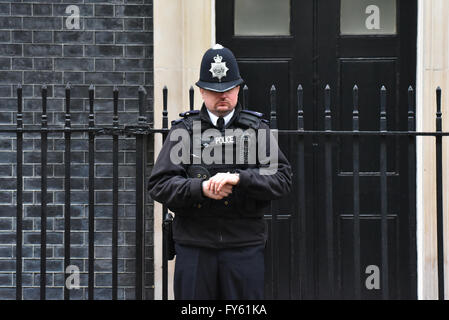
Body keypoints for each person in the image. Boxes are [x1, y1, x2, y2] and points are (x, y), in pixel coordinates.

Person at [148, 44, 292, 300]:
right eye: (214, 90)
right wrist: (200, 189)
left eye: (228, 89)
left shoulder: (257, 130)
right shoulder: (184, 131)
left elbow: (281, 180)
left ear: (238, 89)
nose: (222, 95)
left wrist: (240, 179)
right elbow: (159, 184)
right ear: (202, 91)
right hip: (195, 247)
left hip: (243, 247)